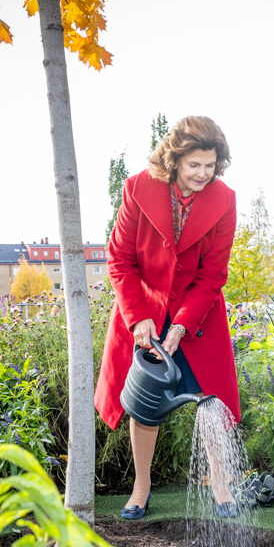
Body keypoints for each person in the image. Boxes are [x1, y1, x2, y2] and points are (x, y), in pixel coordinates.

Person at [95, 116, 241, 520]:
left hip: (198, 314)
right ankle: (141, 488)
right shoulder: (138, 188)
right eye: (194, 165)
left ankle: (220, 482)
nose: (203, 173)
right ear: (174, 160)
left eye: (210, 165)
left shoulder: (224, 200)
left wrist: (181, 325)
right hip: (143, 311)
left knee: (211, 400)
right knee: (145, 404)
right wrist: (139, 317)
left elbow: (213, 275)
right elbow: (120, 261)